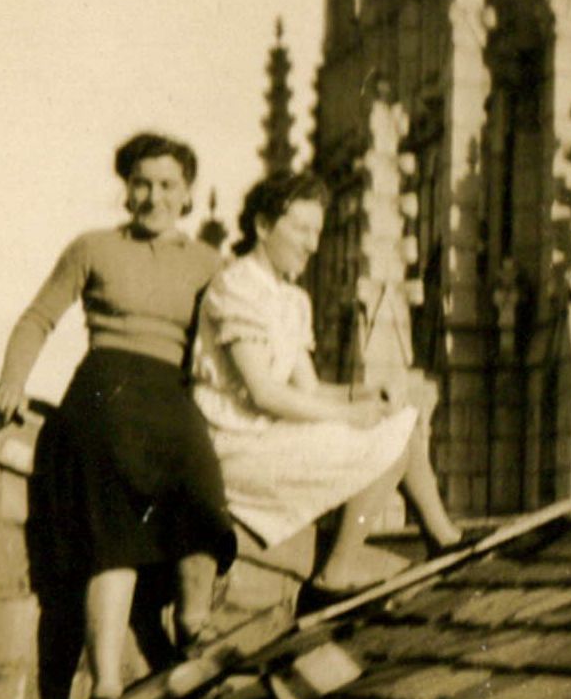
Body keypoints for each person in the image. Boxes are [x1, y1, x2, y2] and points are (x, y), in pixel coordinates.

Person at [0, 132, 238, 699]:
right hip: (103, 394)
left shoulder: (209, 265)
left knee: (202, 499)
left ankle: (193, 625)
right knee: (111, 530)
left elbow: (233, 350)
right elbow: (37, 318)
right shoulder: (93, 248)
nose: (153, 196)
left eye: (167, 185)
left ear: (187, 194)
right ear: (127, 189)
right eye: (141, 183)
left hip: (170, 398)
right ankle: (103, 687)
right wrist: (12, 381)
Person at [192, 169, 462, 591]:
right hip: (238, 447)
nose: (312, 245)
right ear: (263, 226)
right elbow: (263, 393)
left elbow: (309, 388)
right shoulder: (236, 286)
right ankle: (337, 572)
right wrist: (354, 415)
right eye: (301, 230)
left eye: (317, 232)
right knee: (384, 439)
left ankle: (442, 538)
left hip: (273, 435)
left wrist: (366, 393)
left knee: (400, 419)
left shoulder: (292, 299)